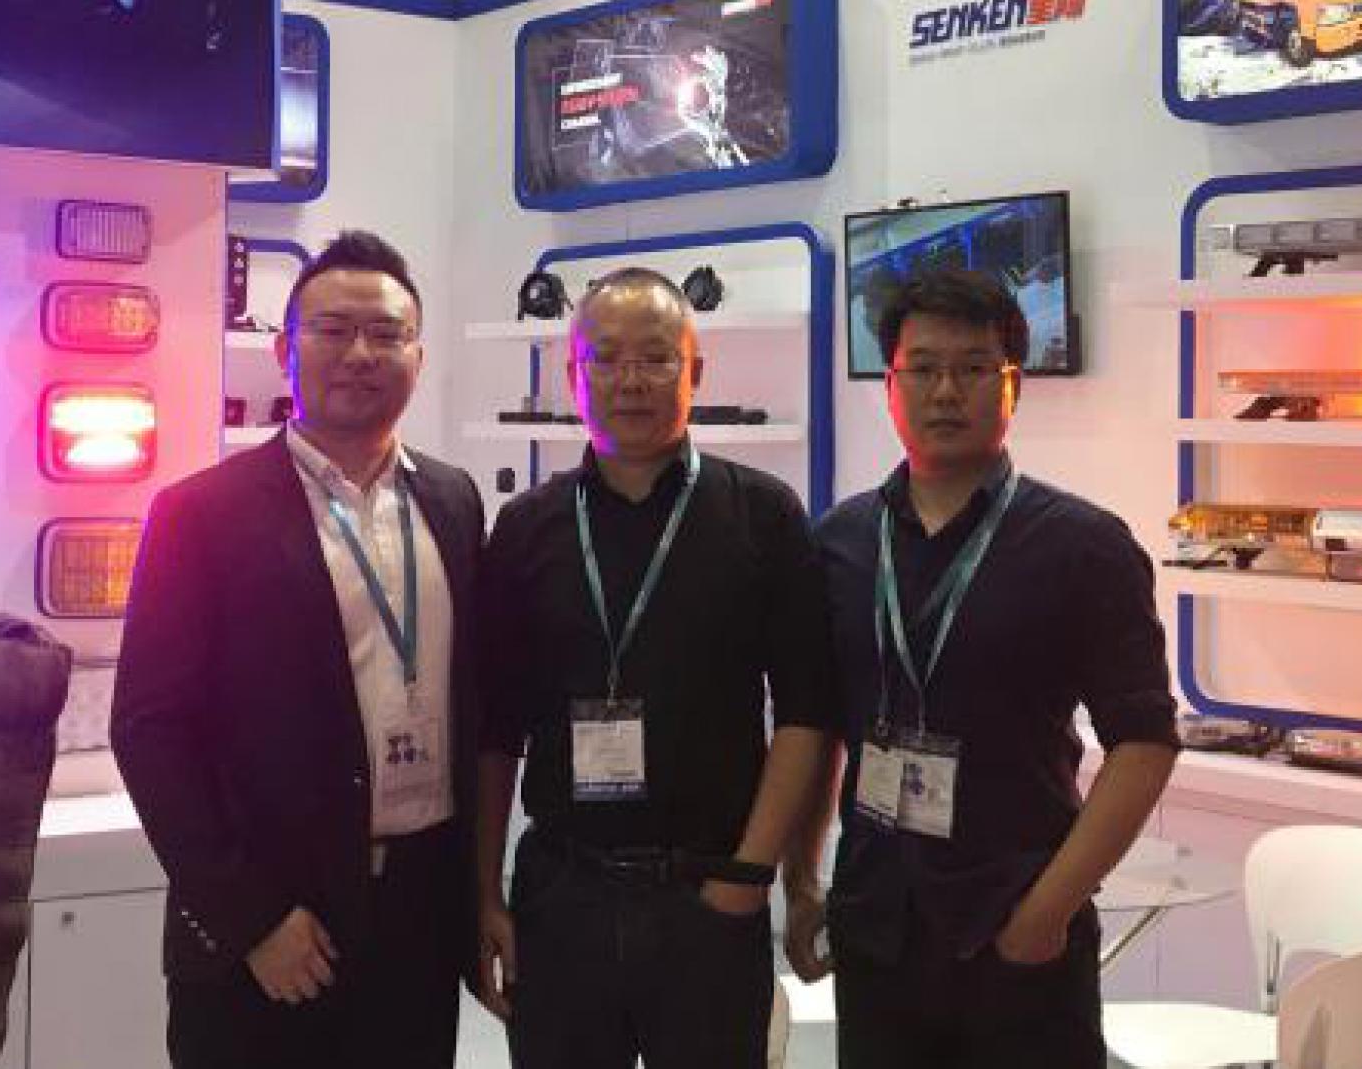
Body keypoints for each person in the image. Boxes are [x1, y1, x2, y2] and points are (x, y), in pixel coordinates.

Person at [786, 267, 1178, 1069]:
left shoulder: (1083, 546)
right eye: (922, 368)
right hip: (878, 922)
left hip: (1016, 924)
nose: (945, 391)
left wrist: (1048, 910)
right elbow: (817, 730)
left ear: (1012, 386)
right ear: (889, 386)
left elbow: (1144, 743)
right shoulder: (839, 544)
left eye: (972, 368)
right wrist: (801, 882)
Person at [111, 231, 483, 1069]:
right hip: (273, 926)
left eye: (386, 334)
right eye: (333, 330)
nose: (361, 353)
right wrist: (251, 918)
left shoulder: (453, 501)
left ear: (419, 357)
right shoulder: (198, 513)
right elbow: (149, 730)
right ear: (285, 350)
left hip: (419, 915)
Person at [474, 267, 835, 1069]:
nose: (630, 380)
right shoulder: (527, 527)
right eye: (605, 358)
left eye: (656, 357)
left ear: (695, 369)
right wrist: (485, 892)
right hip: (562, 896)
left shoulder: (764, 515)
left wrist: (751, 876)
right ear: (574, 374)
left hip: (707, 896)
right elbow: (494, 728)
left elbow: (807, 713)